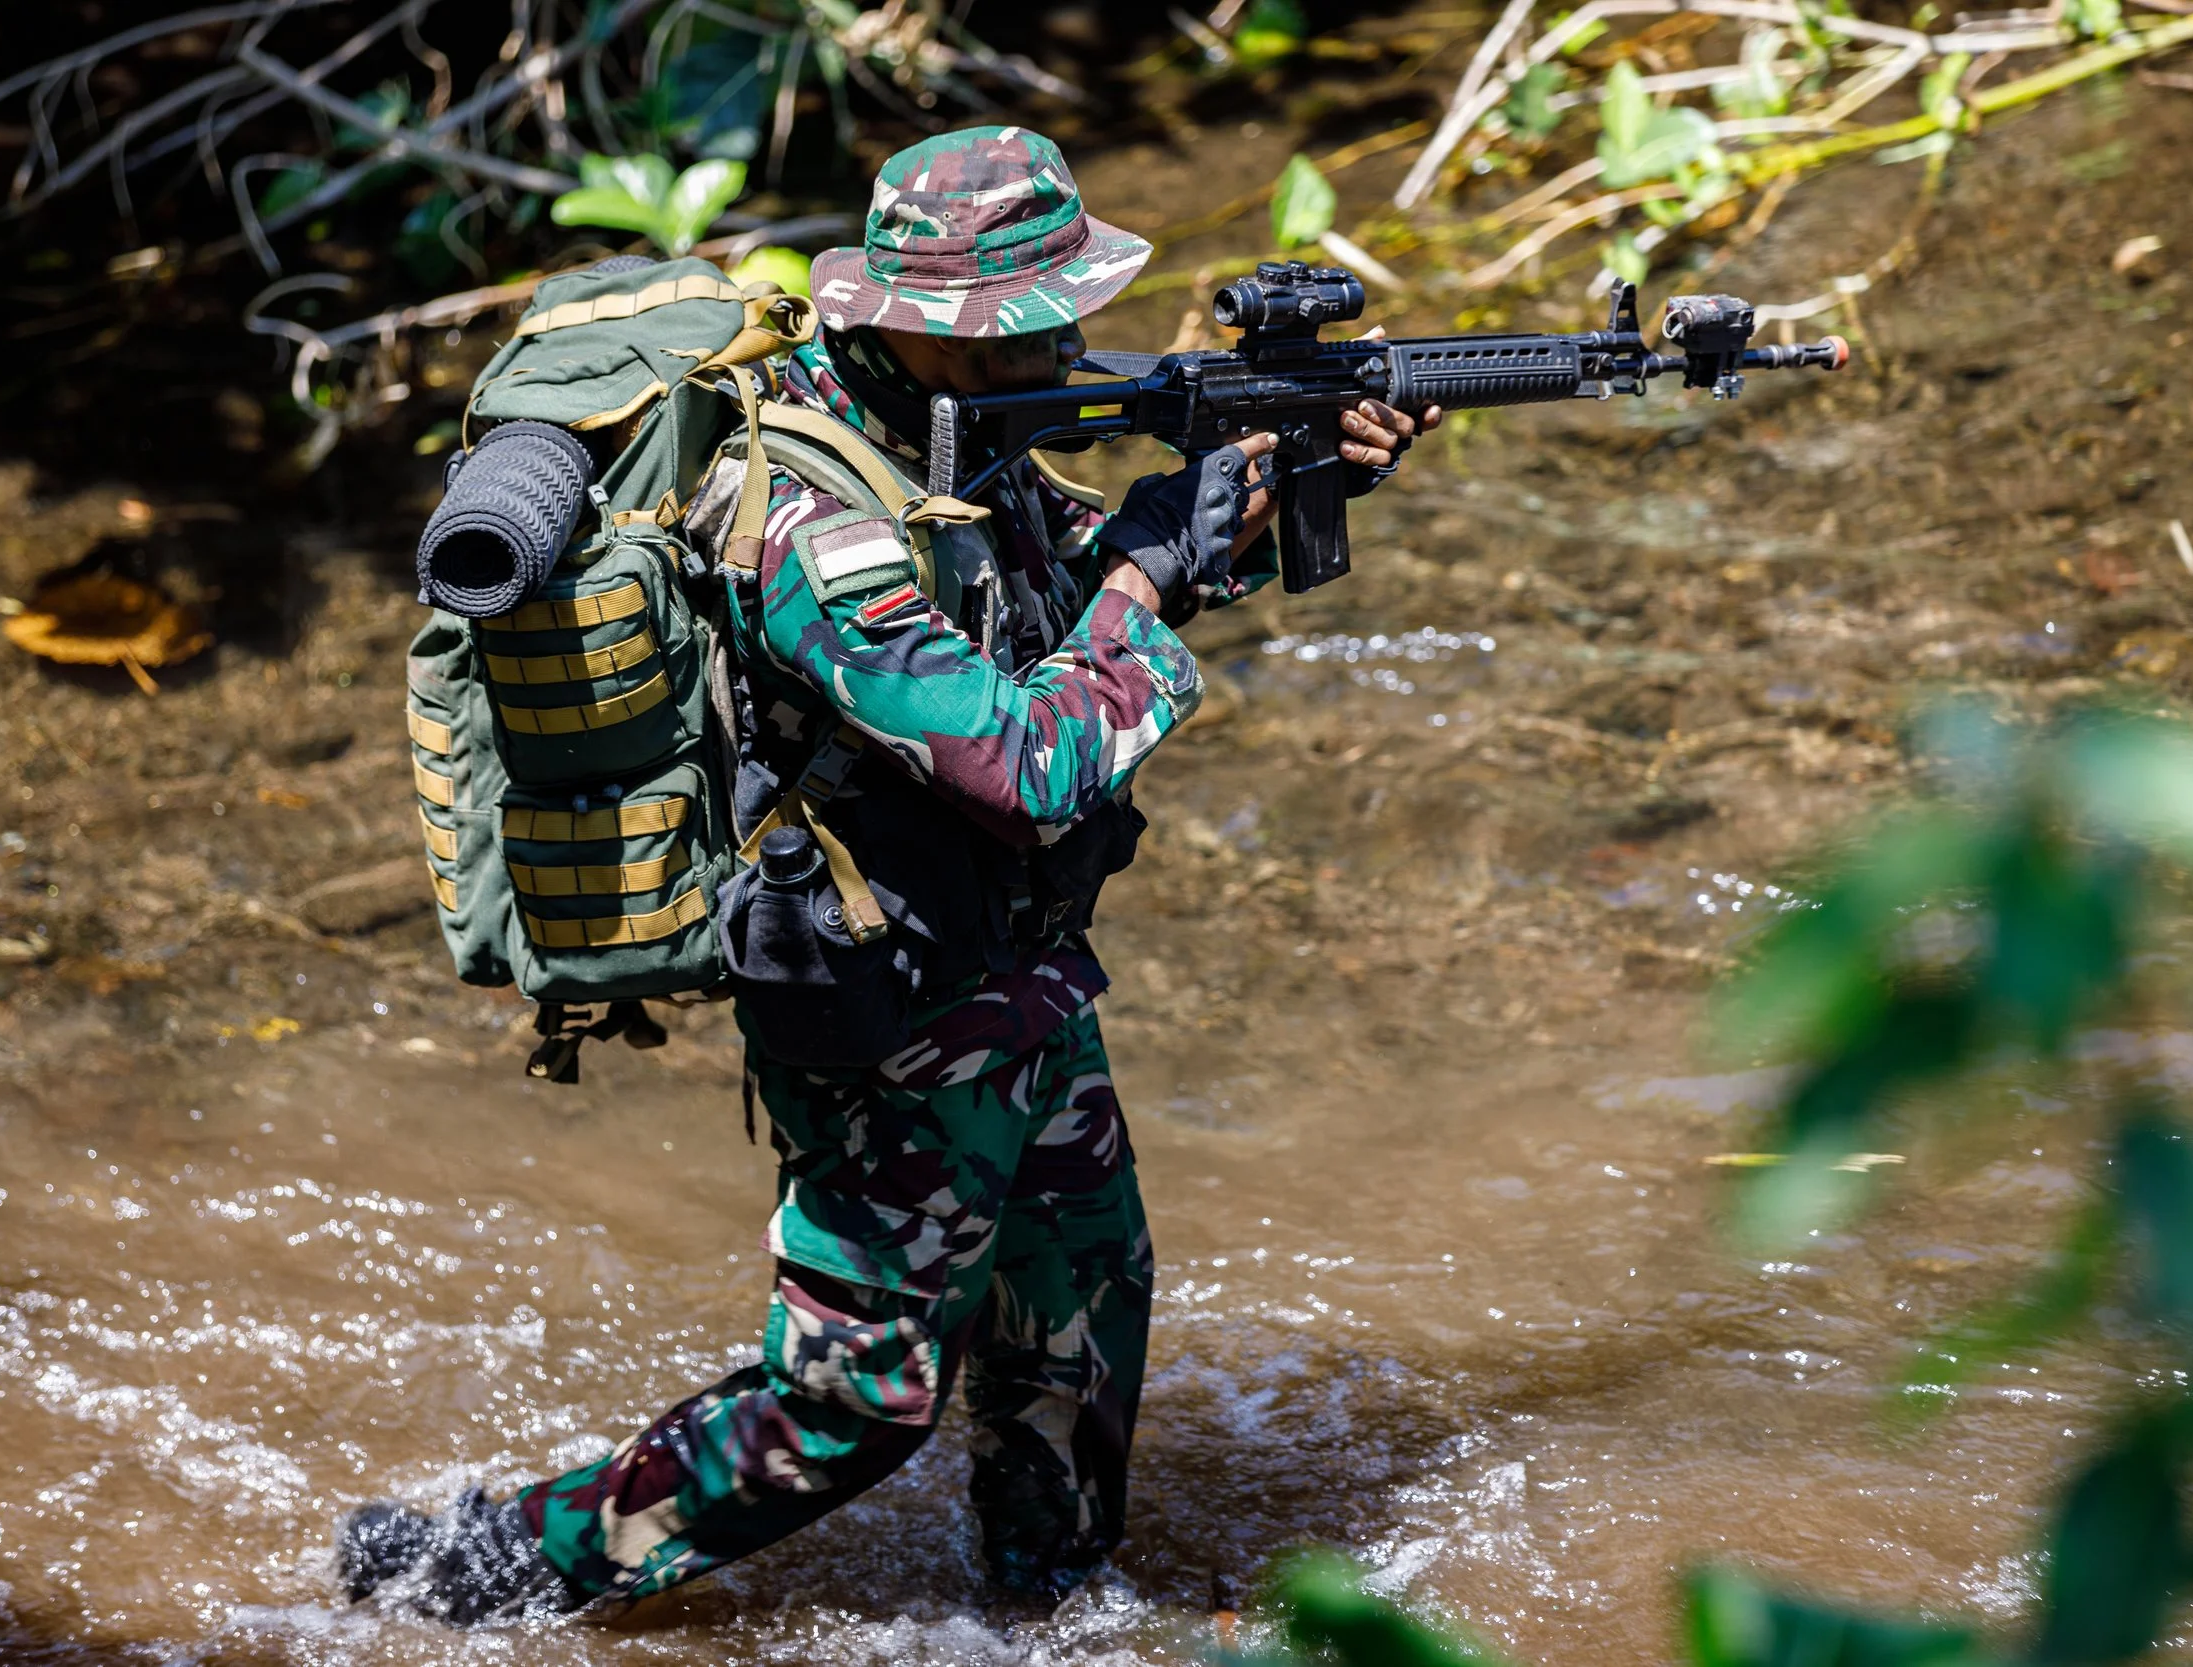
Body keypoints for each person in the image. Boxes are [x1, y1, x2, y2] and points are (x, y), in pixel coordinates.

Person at [339, 125, 1437, 1624]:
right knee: (847, 1411)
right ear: (935, 328)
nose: (1072, 337)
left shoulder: (950, 437)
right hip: (895, 1021)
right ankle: (485, 1566)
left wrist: (1262, 494)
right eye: (1037, 317)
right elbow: (1024, 755)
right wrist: (1149, 577)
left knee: (1084, 1314)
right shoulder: (814, 528)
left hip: (1017, 978)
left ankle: (1053, 1614)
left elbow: (1067, 588)